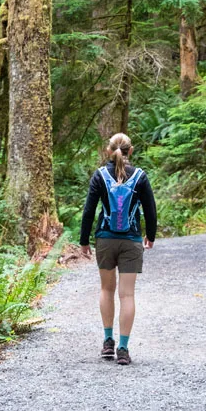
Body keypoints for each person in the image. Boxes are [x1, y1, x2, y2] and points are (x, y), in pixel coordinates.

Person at [79, 132, 157, 365]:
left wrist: (84, 240)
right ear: (130, 151)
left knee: (106, 290)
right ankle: (123, 348)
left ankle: (107, 343)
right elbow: (151, 210)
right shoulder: (140, 176)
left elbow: (89, 210)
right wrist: (150, 237)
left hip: (105, 239)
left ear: (108, 151)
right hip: (131, 240)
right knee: (127, 294)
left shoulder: (100, 176)